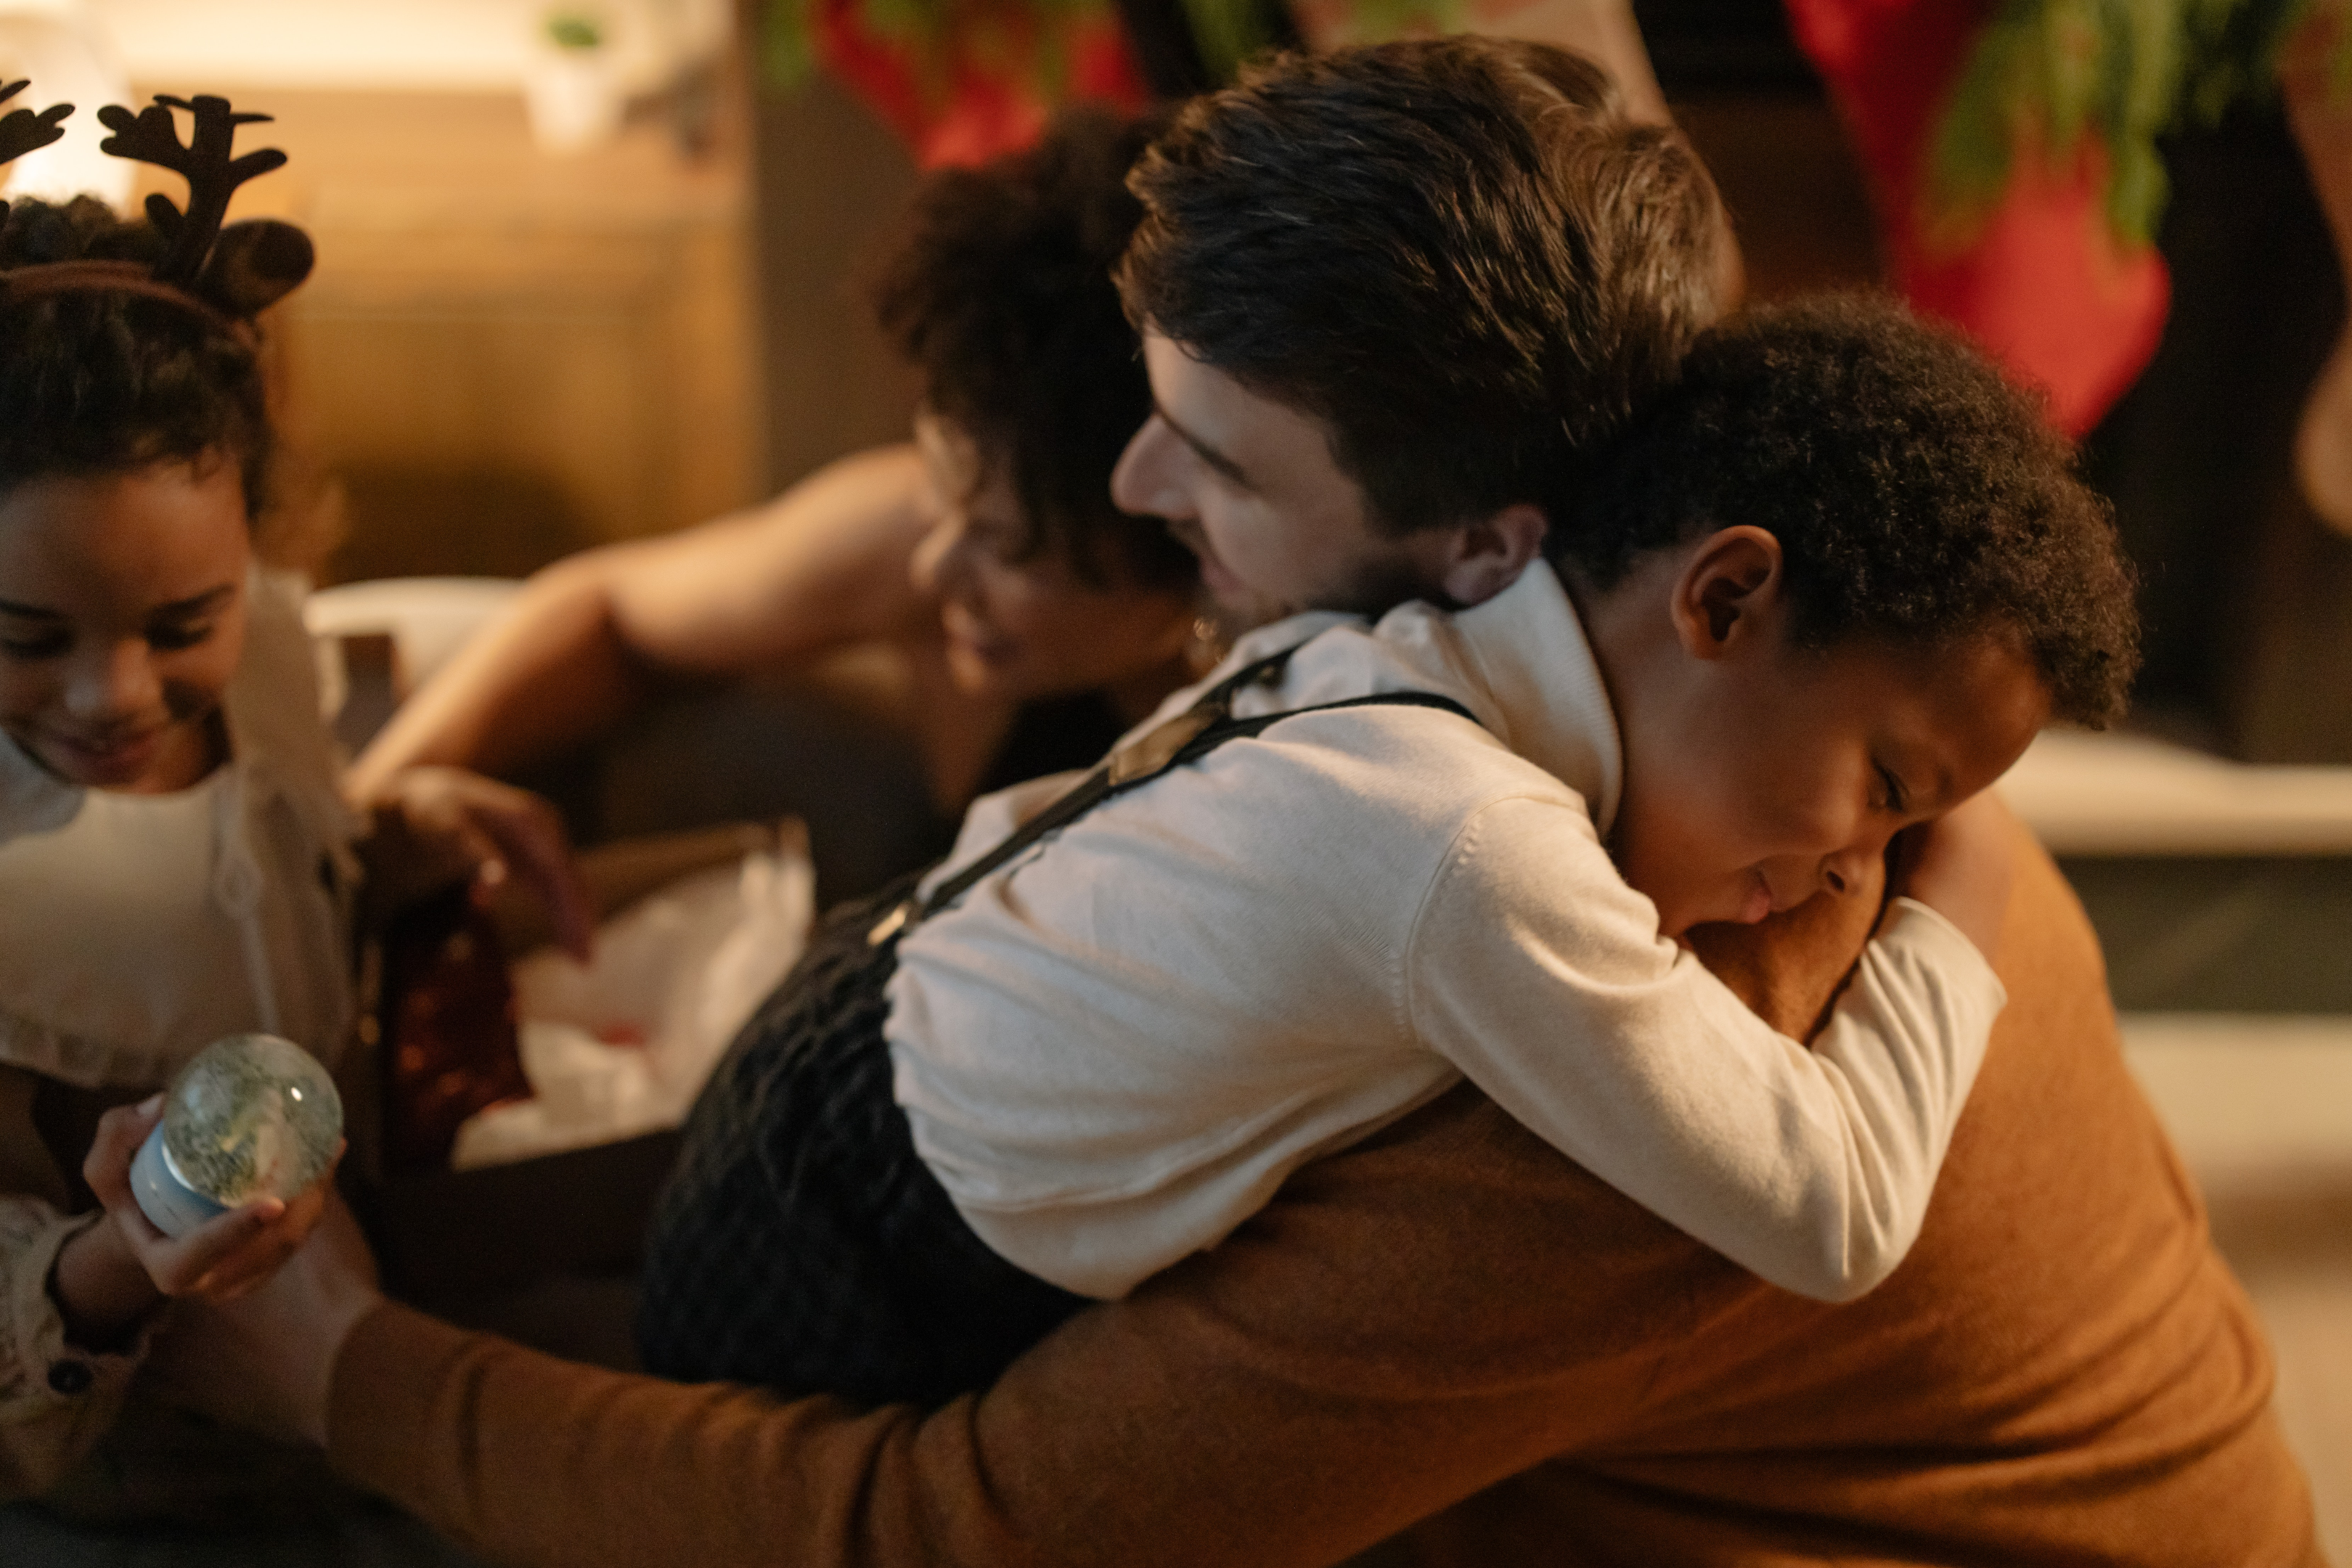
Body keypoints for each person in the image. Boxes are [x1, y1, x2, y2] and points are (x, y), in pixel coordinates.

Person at [163, 41, 2317, 1564]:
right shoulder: (1602, 699)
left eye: (1212, 460)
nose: (1127, 481)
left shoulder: (1622, 1052)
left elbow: (946, 1530)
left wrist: (346, 1379)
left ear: (1489, 541)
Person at [632, 298, 2122, 1409]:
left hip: (873, 1013)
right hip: (844, 1234)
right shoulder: (1470, 846)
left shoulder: (1420, 643)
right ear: (1723, 600)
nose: (1862, 866)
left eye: (1906, 830)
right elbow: (1839, 1207)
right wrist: (1967, 883)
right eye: (1885, 789)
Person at [0, 108, 582, 1511]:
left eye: (180, 619)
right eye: (26, 637)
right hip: (149, 1439)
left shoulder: (261, 649)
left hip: (369, 1287)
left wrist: (387, 836)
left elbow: (262, 858)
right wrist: (118, 1260)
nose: (115, 695)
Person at [347, 108, 1205, 902]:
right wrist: (372, 809)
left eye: (1009, 548)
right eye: (943, 495)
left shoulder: (1278, 719)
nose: (932, 564)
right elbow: (605, 608)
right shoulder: (917, 535)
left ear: (1183, 534)